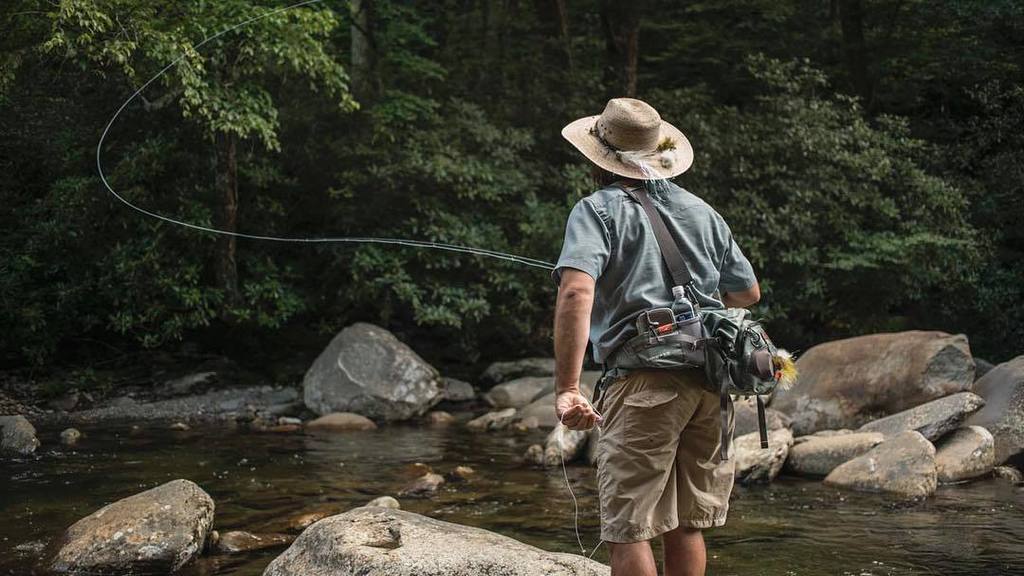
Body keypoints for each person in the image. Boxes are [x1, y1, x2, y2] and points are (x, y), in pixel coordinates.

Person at [551, 98, 761, 576]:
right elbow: (747, 293)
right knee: (686, 524)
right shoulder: (701, 211)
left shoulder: (595, 210)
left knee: (630, 526)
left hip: (644, 382)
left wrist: (567, 388)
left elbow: (575, 292)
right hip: (711, 383)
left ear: (596, 157)